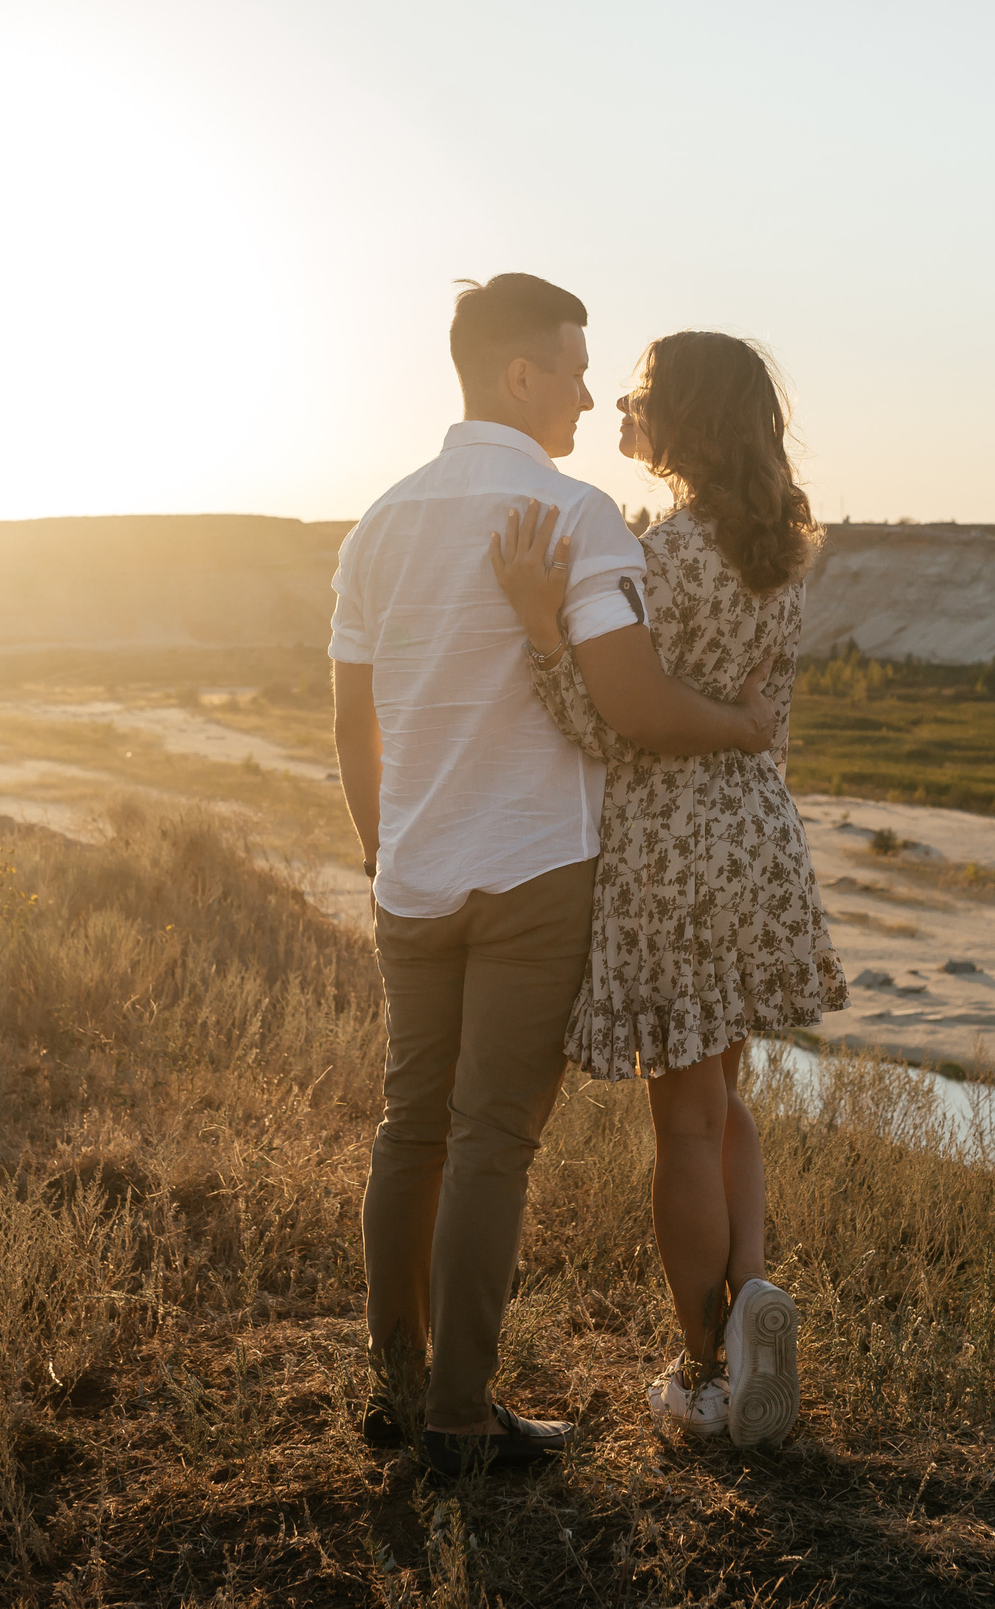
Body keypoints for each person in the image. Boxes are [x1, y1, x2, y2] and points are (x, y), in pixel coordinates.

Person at [333, 276, 779, 1476]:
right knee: (489, 1143)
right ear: (518, 376)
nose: (591, 391)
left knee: (406, 1132)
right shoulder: (574, 514)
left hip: (414, 873)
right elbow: (630, 704)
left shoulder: (378, 520)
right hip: (535, 871)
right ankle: (460, 1416)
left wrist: (387, 851)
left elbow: (350, 721)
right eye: (575, 368)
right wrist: (739, 728)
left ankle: (393, 1389)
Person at [487, 330, 843, 1447]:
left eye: (642, 390)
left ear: (684, 413)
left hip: (675, 851)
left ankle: (705, 1378)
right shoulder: (775, 549)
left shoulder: (659, 557)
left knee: (683, 1130)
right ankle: (747, 1313)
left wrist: (543, 633)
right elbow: (752, 709)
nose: (625, 403)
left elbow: (614, 721)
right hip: (755, 836)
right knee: (724, 1102)